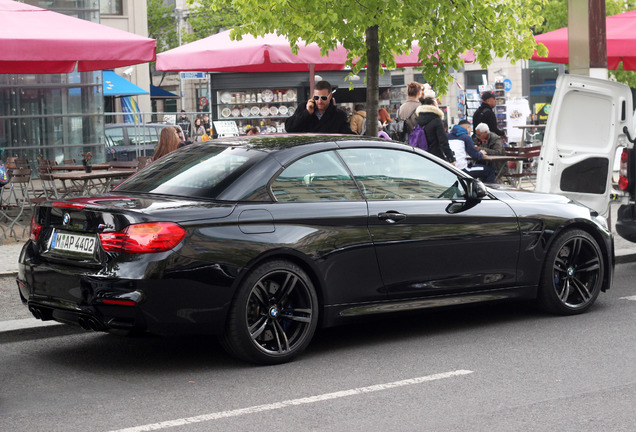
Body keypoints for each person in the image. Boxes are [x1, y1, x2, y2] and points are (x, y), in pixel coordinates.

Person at [284, 80, 354, 134]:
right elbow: (289, 128)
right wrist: (307, 113)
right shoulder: (303, 107)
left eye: (323, 98)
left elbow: (346, 135)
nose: (319, 101)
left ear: (330, 96)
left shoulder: (339, 115)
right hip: (306, 151)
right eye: (316, 97)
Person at [414, 97, 455, 163]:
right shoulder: (437, 120)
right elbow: (443, 142)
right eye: (437, 105)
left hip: (422, 156)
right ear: (432, 106)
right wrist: (451, 159)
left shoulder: (418, 120)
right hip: (436, 157)